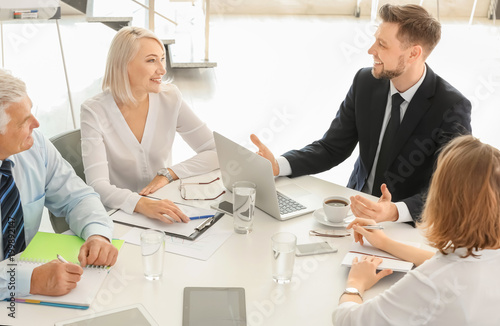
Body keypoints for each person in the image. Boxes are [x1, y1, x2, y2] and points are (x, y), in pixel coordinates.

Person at [251, 4, 471, 224]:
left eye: (382, 44)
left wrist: (395, 211)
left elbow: (451, 188)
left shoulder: (452, 107)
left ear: (413, 53)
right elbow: (332, 148)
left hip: (406, 224)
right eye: (375, 40)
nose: (371, 50)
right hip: (354, 209)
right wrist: (278, 165)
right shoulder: (366, 82)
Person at [333, 135, 500, 325]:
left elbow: (348, 320)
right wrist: (385, 243)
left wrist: (355, 284)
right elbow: (448, 262)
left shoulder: (433, 282)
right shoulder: (483, 256)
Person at [0, 69, 118, 300]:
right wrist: (28, 280)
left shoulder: (35, 147)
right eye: (24, 121)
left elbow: (78, 198)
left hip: (37, 289)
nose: (36, 123)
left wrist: (97, 235)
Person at [81, 26, 218, 224]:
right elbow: (97, 185)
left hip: (164, 207)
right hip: (118, 216)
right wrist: (141, 204)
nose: (162, 70)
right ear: (123, 65)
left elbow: (215, 150)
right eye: (151, 60)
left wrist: (169, 174)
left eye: (162, 59)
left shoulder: (170, 98)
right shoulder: (94, 111)